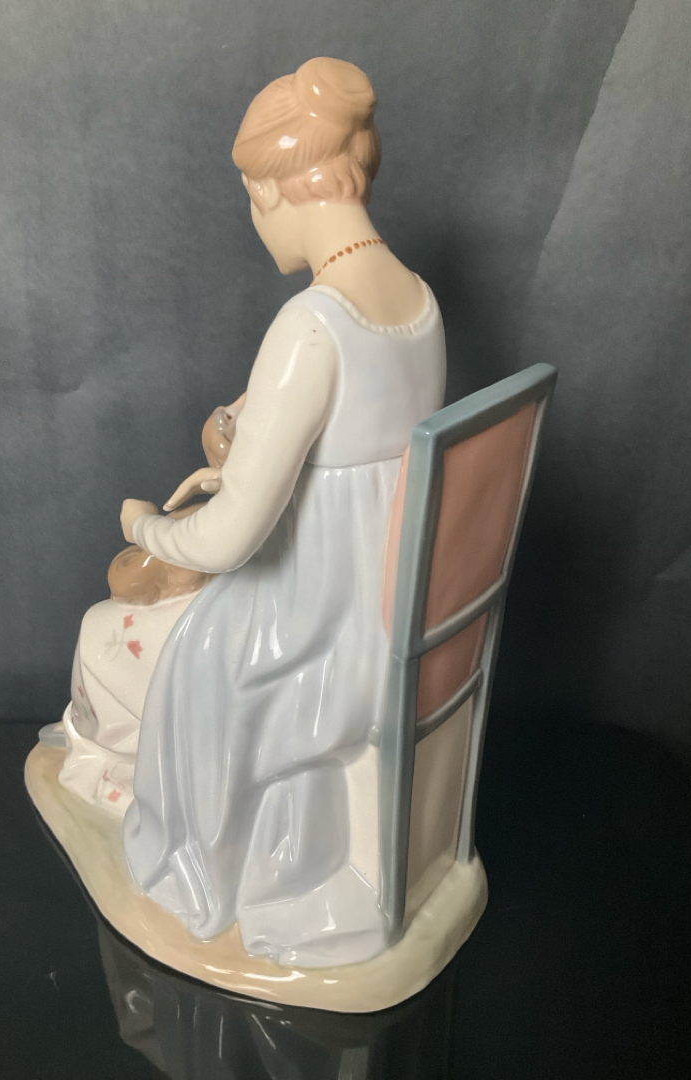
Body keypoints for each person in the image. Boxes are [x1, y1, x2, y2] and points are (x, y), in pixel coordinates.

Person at [67, 57, 446, 968]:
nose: (254, 218)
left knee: (109, 629)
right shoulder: (421, 304)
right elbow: (354, 468)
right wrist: (236, 457)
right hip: (387, 607)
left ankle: (132, 793)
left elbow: (232, 539)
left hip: (306, 630)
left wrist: (145, 526)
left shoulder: (312, 323)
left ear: (276, 189)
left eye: (250, 199)